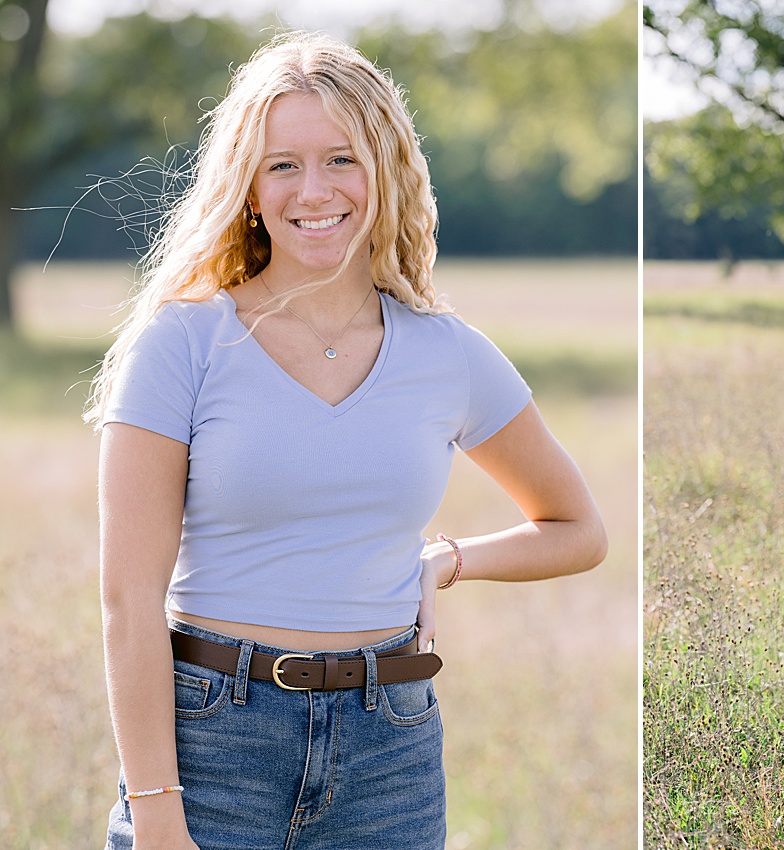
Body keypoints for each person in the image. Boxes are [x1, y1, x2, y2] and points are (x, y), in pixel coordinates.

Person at [86, 32, 608, 849]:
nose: (314, 190)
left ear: (387, 171)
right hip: (213, 741)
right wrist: (156, 809)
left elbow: (579, 530)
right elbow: (127, 603)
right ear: (248, 188)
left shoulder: (448, 352)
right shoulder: (182, 344)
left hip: (389, 751)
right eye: (282, 164)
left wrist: (451, 559)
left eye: (342, 159)